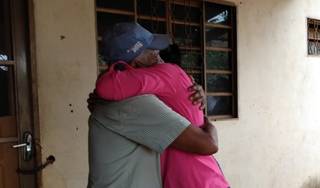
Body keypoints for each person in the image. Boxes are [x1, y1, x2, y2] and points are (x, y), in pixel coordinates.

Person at [95, 22, 230, 188]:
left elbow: (105, 88)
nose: (157, 53)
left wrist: (208, 123)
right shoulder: (142, 93)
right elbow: (106, 88)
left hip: (197, 179)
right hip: (197, 178)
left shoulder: (164, 73)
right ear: (136, 60)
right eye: (151, 49)